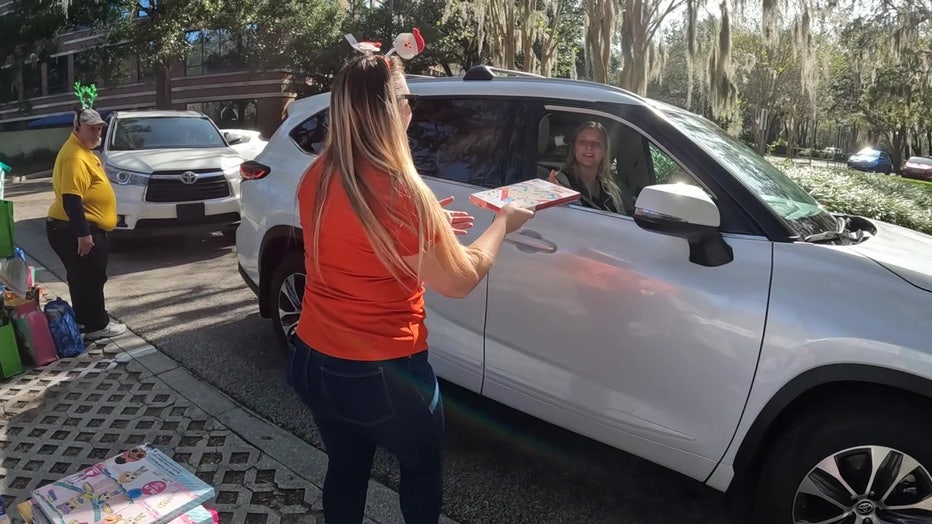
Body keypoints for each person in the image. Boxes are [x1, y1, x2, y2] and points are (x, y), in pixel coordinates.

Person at [288, 53, 535, 524]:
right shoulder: (400, 192)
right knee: (421, 471)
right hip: (382, 373)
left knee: (346, 467)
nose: (411, 109)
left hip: (313, 358)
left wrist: (430, 223)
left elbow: (355, 239)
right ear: (390, 108)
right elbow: (460, 280)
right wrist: (504, 222)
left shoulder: (317, 175)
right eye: (408, 98)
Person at [46, 107, 127, 340]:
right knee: (90, 278)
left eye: (99, 128)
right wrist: (83, 234)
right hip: (76, 229)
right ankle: (96, 326)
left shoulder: (82, 150)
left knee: (83, 278)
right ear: (77, 127)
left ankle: (85, 322)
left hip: (73, 228)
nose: (96, 133)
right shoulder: (75, 156)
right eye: (91, 128)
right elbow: (71, 199)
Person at [548, 121, 624, 213]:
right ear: (574, 149)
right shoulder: (558, 183)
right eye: (583, 142)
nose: (589, 147)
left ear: (604, 151)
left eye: (596, 143)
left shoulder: (611, 189)